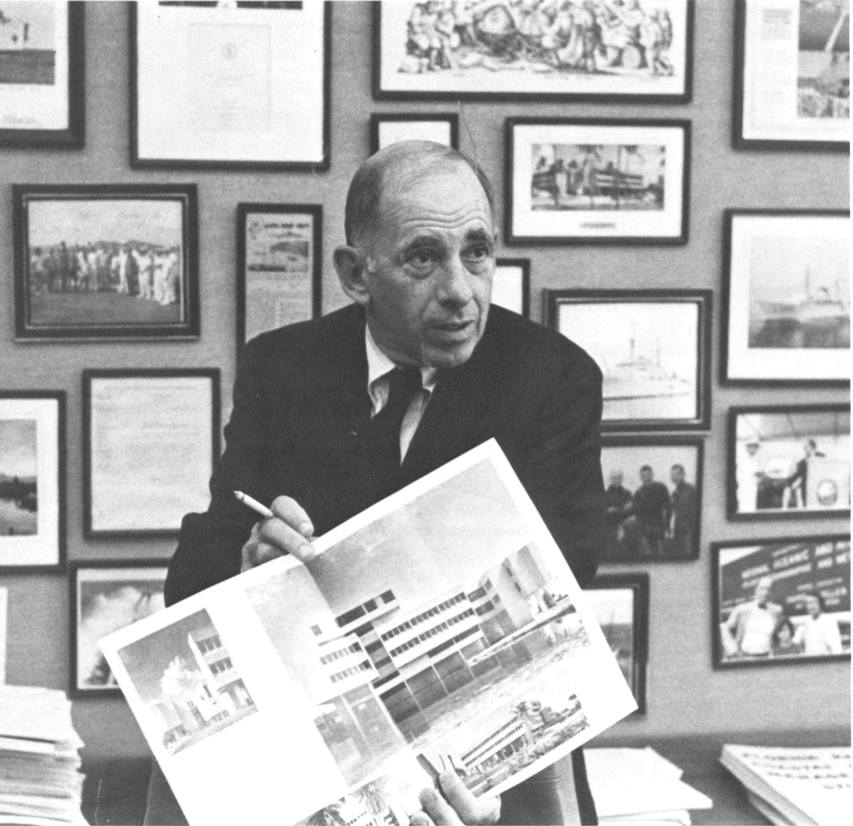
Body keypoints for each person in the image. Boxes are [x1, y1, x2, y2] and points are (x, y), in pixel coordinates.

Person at [160, 141, 605, 826]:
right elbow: (190, 577)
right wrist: (249, 565)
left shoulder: (552, 377)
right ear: (355, 274)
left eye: (477, 251)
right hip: (322, 747)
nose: (460, 289)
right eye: (423, 257)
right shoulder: (282, 369)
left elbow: (567, 571)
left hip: (489, 755)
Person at [721, 576, 783, 659]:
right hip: (745, 658)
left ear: (772, 592)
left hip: (767, 659)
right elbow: (724, 627)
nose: (765, 593)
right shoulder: (742, 609)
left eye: (769, 589)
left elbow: (779, 633)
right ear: (756, 590)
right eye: (762, 588)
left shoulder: (777, 611)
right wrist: (732, 648)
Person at [631, 464, 670, 557]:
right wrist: (642, 528)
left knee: (661, 555)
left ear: (653, 474)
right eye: (643, 476)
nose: (646, 478)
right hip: (645, 529)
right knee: (646, 555)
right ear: (640, 477)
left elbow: (668, 507)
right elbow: (637, 513)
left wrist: (667, 525)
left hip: (659, 527)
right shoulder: (638, 492)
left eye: (648, 475)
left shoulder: (661, 487)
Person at [667, 463, 696, 557]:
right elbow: (672, 512)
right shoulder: (674, 493)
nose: (674, 477)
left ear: (683, 475)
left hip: (689, 531)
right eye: (672, 474)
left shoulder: (692, 490)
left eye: (677, 474)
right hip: (678, 530)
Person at [604, 468, 634, 555]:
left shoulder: (628, 493)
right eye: (614, 478)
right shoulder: (604, 495)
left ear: (622, 479)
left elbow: (631, 510)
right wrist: (622, 509)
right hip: (610, 529)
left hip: (627, 529)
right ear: (610, 479)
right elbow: (603, 513)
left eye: (618, 477)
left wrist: (614, 510)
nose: (616, 480)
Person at [736, 437, 765, 513]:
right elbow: (744, 474)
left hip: (752, 487)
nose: (754, 449)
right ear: (747, 447)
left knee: (751, 506)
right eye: (752, 446)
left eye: (756, 447)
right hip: (743, 487)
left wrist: (760, 475)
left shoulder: (755, 460)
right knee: (744, 506)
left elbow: (757, 473)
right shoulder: (741, 459)